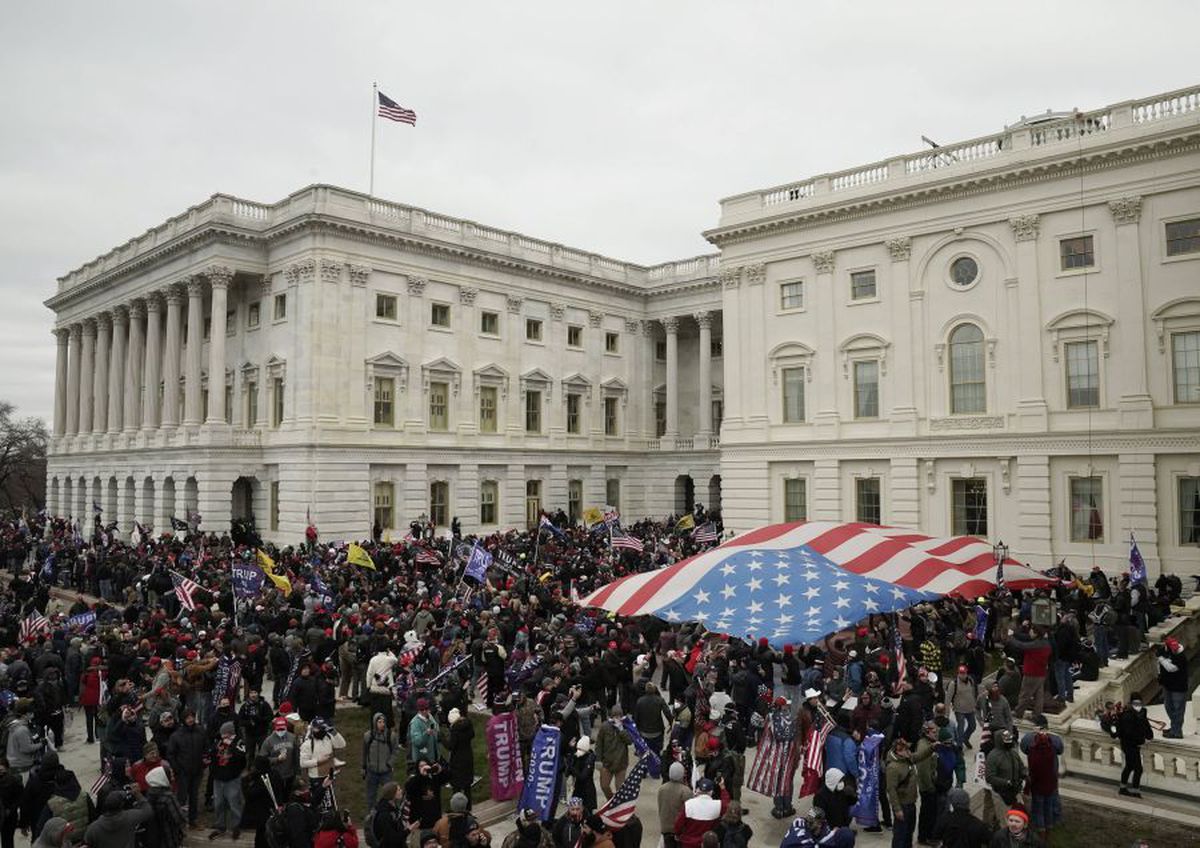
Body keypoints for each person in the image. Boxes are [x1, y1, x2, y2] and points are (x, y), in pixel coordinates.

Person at [1019, 716, 1062, 843]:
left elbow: (1024, 749)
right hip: (1051, 779)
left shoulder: (1028, 739)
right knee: (1050, 804)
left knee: (1038, 807)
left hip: (1037, 780)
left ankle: (1041, 834)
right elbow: (1060, 750)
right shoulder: (1055, 739)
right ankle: (1050, 829)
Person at [165, 708, 205, 828]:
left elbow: (205, 747)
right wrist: (177, 769)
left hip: (197, 770)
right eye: (188, 718)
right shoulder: (176, 735)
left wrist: (204, 762)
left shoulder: (200, 731)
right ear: (183, 719)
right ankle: (179, 822)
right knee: (181, 797)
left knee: (194, 796)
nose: (191, 720)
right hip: (183, 773)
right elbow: (170, 754)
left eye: (192, 717)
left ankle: (193, 820)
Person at [209, 720, 247, 840]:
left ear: (230, 732)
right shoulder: (219, 741)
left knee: (234, 803)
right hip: (218, 778)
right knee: (218, 803)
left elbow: (242, 758)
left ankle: (236, 826)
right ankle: (220, 825)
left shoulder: (239, 742)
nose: (222, 736)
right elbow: (212, 755)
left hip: (232, 778)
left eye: (224, 733)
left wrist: (231, 747)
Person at [83, 786, 154, 848]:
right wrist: (138, 794)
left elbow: (87, 842)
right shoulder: (130, 817)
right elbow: (148, 811)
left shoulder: (93, 829)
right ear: (121, 804)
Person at [984, 730, 1026, 827]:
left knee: (1020, 817)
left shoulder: (1013, 753)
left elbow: (1021, 766)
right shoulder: (993, 756)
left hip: (1016, 791)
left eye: (1010, 739)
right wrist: (1007, 782)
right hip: (1001, 794)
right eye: (1006, 740)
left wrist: (1024, 775)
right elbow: (989, 777)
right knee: (1006, 821)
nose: (1009, 742)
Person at [1113, 699, 1153, 798]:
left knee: (1129, 766)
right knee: (1138, 769)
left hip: (1128, 745)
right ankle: (1135, 791)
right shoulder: (1130, 717)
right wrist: (1142, 740)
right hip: (1131, 745)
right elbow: (1130, 733)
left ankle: (1123, 788)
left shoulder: (1130, 715)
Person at [674, 777, 728, 848]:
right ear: (711, 792)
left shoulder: (688, 804)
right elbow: (727, 804)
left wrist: (677, 834)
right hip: (708, 843)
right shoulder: (718, 805)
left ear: (698, 790)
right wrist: (722, 788)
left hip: (689, 844)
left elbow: (678, 824)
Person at [885, 736, 919, 848]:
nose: (909, 751)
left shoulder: (907, 759)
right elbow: (891, 790)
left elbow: (920, 755)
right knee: (900, 835)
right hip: (903, 805)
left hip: (911, 803)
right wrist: (897, 809)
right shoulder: (893, 768)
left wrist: (931, 748)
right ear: (899, 751)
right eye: (906, 749)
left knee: (909, 832)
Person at [362, 712, 399, 813]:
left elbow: (395, 751)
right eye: (379, 722)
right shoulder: (367, 736)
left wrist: (389, 763)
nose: (382, 724)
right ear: (375, 723)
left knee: (391, 795)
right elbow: (365, 753)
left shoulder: (391, 736)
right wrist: (364, 767)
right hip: (372, 772)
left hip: (386, 772)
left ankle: (392, 814)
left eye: (383, 722)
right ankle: (371, 817)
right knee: (371, 797)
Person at [143, 766, 187, 848]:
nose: (173, 778)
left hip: (153, 838)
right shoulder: (168, 797)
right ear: (163, 778)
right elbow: (179, 819)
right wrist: (183, 811)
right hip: (168, 838)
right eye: (171, 775)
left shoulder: (149, 794)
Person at [594, 707, 631, 800]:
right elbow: (599, 744)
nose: (617, 719)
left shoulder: (626, 726)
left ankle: (619, 803)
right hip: (607, 763)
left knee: (620, 789)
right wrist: (598, 759)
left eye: (619, 716)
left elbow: (629, 741)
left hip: (621, 763)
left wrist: (621, 730)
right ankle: (611, 800)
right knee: (604, 786)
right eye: (615, 717)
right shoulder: (605, 727)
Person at [1156, 637, 1189, 738]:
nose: (1174, 650)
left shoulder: (1181, 657)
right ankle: (1174, 727)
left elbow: (1171, 668)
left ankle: (1177, 732)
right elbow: (1160, 666)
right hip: (1168, 685)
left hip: (1179, 688)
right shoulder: (1163, 651)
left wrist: (1161, 658)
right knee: (1169, 707)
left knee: (1178, 710)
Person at [658, 760, 691, 848]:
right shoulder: (686, 791)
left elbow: (661, 807)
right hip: (680, 830)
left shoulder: (662, 789)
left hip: (665, 828)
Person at [945, 666, 979, 749]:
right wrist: (946, 714)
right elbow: (948, 699)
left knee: (973, 726)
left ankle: (965, 738)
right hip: (959, 709)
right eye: (960, 673)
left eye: (964, 673)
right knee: (961, 727)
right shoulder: (953, 684)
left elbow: (973, 693)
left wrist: (975, 704)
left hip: (970, 709)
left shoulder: (970, 680)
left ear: (967, 673)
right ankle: (959, 746)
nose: (962, 675)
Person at [446, 708, 475, 799]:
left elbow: (451, 746)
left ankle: (457, 805)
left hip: (457, 761)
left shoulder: (455, 731)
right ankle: (468, 804)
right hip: (468, 757)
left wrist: (442, 738)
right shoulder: (468, 726)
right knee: (467, 787)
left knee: (456, 786)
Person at [408, 699, 440, 766]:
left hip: (432, 755)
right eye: (422, 709)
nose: (424, 711)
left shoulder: (430, 717)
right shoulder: (415, 723)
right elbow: (417, 742)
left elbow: (436, 728)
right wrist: (426, 734)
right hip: (422, 759)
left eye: (426, 708)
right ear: (418, 710)